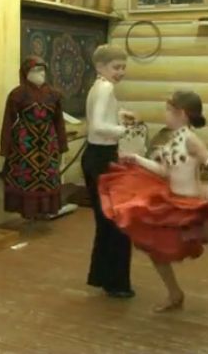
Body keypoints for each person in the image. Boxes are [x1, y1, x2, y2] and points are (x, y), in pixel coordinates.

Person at [98, 90, 208, 312]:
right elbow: (165, 171)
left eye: (169, 110)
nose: (165, 114)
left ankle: (204, 227)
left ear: (182, 114)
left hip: (188, 203)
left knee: (166, 245)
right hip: (173, 200)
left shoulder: (191, 139)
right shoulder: (173, 138)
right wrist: (136, 159)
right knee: (156, 250)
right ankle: (175, 293)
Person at [82, 44, 137, 299]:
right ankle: (115, 282)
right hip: (102, 158)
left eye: (123, 67)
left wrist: (120, 115)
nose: (121, 72)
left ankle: (105, 277)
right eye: (116, 67)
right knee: (118, 223)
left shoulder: (99, 86)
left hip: (98, 157)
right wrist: (125, 130)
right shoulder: (106, 88)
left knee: (107, 222)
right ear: (100, 67)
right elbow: (97, 125)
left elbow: (102, 117)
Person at [0, 56, 68, 220]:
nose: (40, 73)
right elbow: (8, 121)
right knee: (26, 177)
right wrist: (5, 147)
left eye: (42, 70)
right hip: (24, 144)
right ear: (26, 73)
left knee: (47, 177)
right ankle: (29, 213)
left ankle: (44, 212)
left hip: (47, 144)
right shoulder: (17, 95)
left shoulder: (54, 95)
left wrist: (62, 145)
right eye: (35, 70)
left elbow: (59, 121)